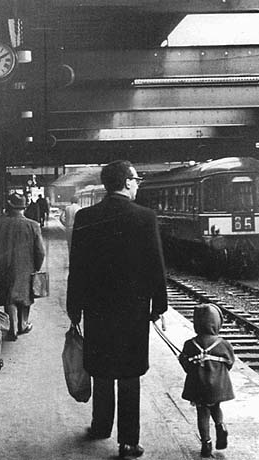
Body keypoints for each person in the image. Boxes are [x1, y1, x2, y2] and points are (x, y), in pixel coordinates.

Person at [66, 160, 168, 460]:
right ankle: (128, 441)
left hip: (97, 308)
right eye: (136, 180)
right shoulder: (145, 218)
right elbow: (155, 265)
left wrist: (74, 308)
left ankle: (100, 426)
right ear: (125, 182)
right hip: (133, 310)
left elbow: (78, 268)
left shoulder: (86, 217)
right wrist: (159, 305)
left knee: (101, 368)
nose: (137, 185)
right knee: (128, 373)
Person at [0, 192, 46, 341]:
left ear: (9, 206)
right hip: (26, 266)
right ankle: (23, 325)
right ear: (24, 208)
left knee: (9, 296)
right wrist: (37, 266)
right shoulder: (33, 225)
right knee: (25, 296)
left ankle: (12, 327)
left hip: (4, 266)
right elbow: (40, 250)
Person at [178, 304, 235, 457]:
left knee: (202, 412)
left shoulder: (190, 344)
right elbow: (230, 362)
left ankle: (206, 444)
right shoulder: (224, 344)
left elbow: (186, 366)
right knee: (216, 406)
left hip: (198, 386)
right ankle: (220, 426)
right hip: (218, 385)